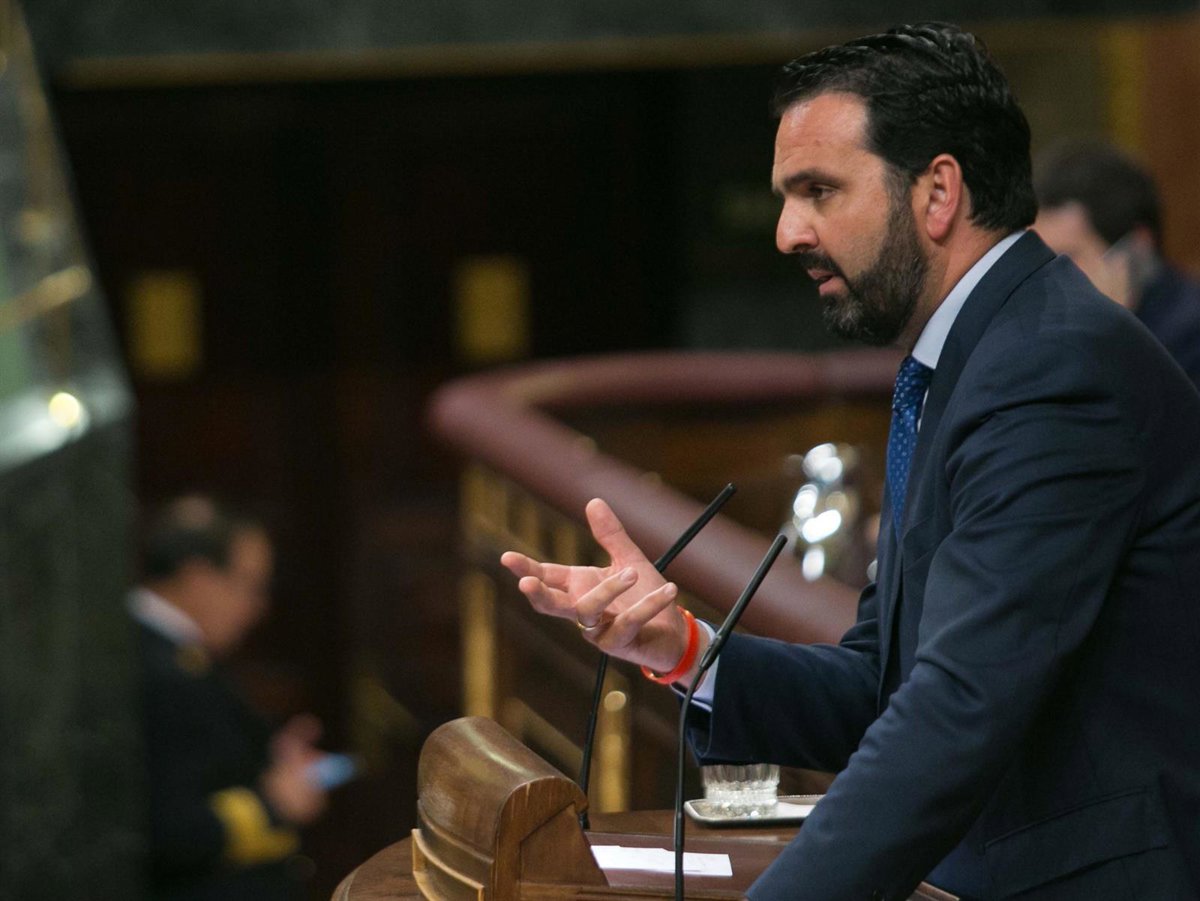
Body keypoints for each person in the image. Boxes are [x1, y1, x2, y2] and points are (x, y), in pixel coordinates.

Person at [501, 22, 1200, 901]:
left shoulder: (1052, 369)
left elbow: (957, 710)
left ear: (937, 192)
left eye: (819, 190)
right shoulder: (970, 358)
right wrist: (685, 649)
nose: (788, 231)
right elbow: (884, 682)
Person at [130, 495, 328, 901]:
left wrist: (270, 759)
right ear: (199, 579)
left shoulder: (177, 654)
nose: (258, 607)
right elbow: (164, 828)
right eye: (249, 585)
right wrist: (274, 803)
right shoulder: (158, 668)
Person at [1034, 139, 1200, 389]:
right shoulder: (1036, 326)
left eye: (1067, 257)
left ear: (1136, 249)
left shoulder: (1190, 336)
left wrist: (1107, 334)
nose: (1045, 276)